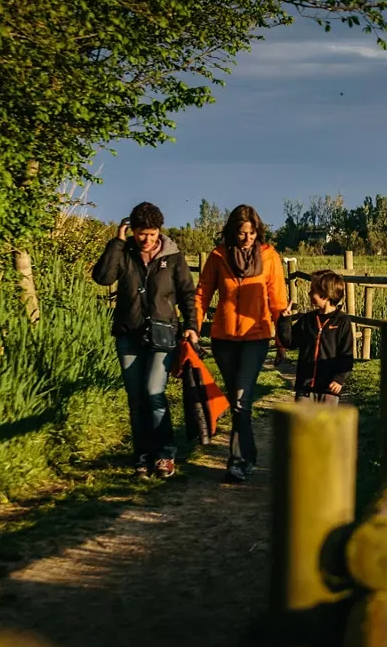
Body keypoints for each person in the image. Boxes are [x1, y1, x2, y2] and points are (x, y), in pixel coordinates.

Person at [91, 202, 197, 478]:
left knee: (153, 391)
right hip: (129, 334)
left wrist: (191, 326)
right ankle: (142, 457)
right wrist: (117, 241)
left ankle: (164, 454)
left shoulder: (173, 257)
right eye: (141, 233)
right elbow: (102, 277)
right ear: (132, 231)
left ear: (159, 231)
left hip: (163, 334)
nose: (146, 240)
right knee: (136, 399)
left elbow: (187, 292)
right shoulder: (124, 252)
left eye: (151, 234)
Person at [194, 204, 288, 483]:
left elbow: (278, 301)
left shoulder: (269, 257)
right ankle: (248, 455)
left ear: (258, 232)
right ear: (232, 232)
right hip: (223, 339)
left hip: (255, 338)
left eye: (251, 233)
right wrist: (193, 328)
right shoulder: (218, 256)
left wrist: (281, 342)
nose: (247, 238)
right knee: (237, 401)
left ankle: (237, 461)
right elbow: (202, 295)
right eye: (242, 233)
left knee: (240, 399)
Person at [277, 269, 354, 404]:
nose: (309, 293)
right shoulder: (307, 319)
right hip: (304, 387)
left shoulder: (342, 321)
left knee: (326, 418)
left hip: (329, 388)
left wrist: (339, 378)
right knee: (301, 418)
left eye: (313, 290)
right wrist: (284, 321)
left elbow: (346, 353)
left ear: (325, 294)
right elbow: (290, 342)